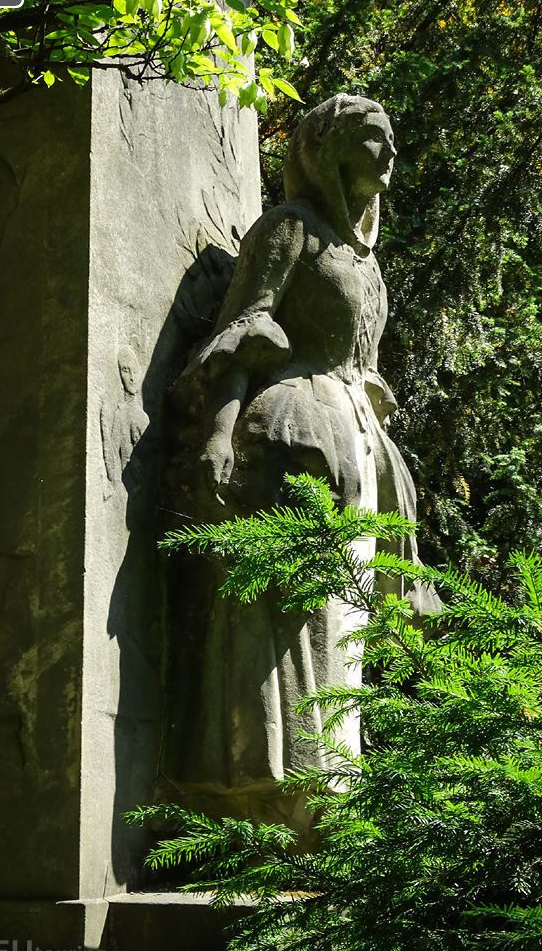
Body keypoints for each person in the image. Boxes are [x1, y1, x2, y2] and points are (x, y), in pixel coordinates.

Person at [163, 94, 440, 832]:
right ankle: (259, 795)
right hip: (287, 437)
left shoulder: (362, 259)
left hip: (351, 446)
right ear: (327, 148)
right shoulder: (291, 231)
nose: (388, 156)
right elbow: (238, 334)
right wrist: (218, 436)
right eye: (373, 140)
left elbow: (364, 367)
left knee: (340, 623)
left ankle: (327, 798)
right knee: (281, 615)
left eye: (391, 141)